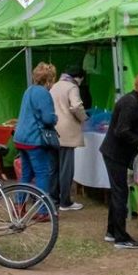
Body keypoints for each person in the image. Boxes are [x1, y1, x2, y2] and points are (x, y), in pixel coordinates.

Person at [100, 71, 138, 249]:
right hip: (114, 153)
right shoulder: (130, 103)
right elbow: (121, 130)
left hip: (119, 153)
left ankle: (112, 231)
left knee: (117, 192)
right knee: (121, 193)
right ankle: (121, 237)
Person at [13, 62, 59, 199]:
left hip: (21, 138)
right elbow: (48, 119)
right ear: (50, 80)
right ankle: (43, 210)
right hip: (35, 140)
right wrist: (55, 118)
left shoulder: (29, 90)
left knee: (26, 174)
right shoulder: (44, 93)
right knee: (42, 174)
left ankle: (19, 205)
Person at [50, 63, 87, 212]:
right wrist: (84, 118)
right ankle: (65, 201)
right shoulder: (72, 87)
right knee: (66, 168)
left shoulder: (56, 85)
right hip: (67, 131)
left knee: (54, 168)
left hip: (53, 130)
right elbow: (76, 106)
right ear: (79, 78)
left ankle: (53, 199)